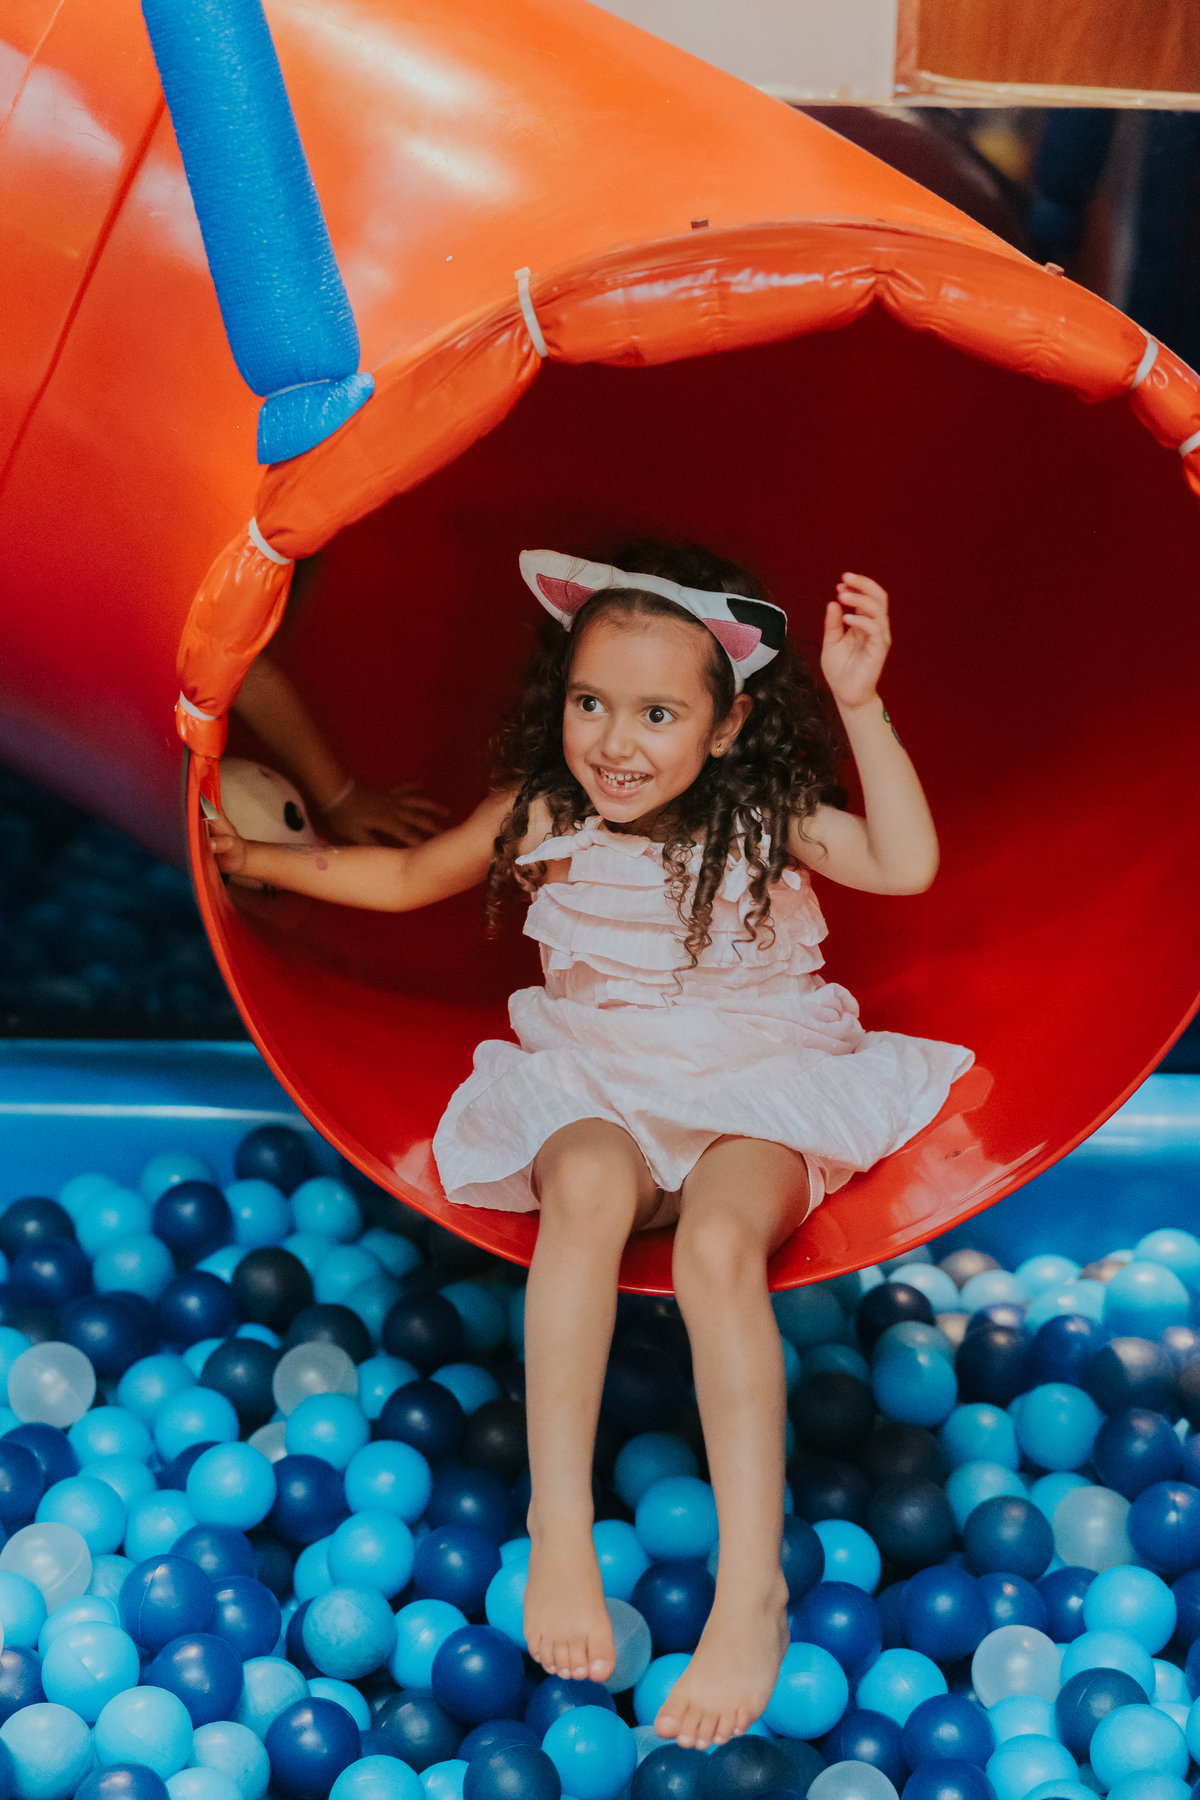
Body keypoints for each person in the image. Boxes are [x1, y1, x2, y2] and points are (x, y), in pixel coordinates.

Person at [206, 540, 972, 1750]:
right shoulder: (544, 809)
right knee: (586, 1188)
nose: (617, 739)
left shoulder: (761, 812)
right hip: (600, 1075)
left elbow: (904, 862)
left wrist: (865, 706)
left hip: (754, 1085)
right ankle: (556, 1529)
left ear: (725, 731)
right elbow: (408, 877)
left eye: (659, 712)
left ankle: (751, 1586)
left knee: (721, 1246)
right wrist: (265, 862)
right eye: (590, 702)